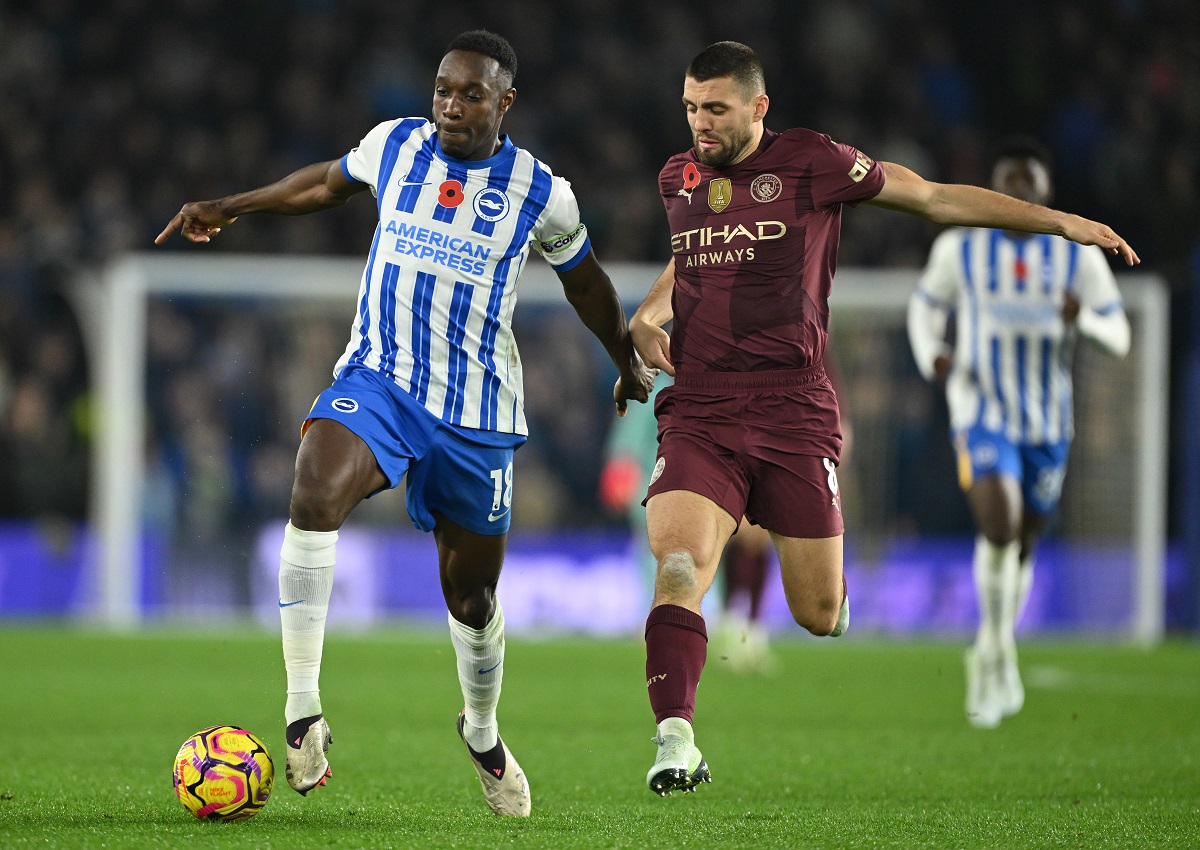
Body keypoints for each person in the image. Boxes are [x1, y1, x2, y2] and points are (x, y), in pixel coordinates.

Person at [156, 30, 654, 817]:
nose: (452, 106)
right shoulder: (394, 147)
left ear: (505, 102)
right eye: (443, 91)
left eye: (471, 95)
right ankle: (301, 711)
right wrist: (232, 206)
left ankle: (483, 730)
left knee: (472, 598)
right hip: (380, 380)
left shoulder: (539, 190)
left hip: (479, 410)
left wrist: (624, 360)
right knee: (314, 486)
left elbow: (585, 283)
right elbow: (324, 183)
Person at [628, 41, 1139, 797]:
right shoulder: (681, 177)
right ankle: (675, 739)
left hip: (794, 410)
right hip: (700, 408)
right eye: (691, 108)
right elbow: (693, 257)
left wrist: (1059, 223)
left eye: (716, 109)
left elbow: (932, 197)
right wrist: (645, 316)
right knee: (676, 569)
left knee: (818, 610)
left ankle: (824, 596)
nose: (700, 124)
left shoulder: (814, 163)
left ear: (758, 107)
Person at [907, 137, 1131, 729]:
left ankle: (993, 644)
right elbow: (924, 308)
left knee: (1025, 540)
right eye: (1006, 183)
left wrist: (1081, 319)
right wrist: (934, 354)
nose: (1016, 194)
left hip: (1048, 421)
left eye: (1027, 183)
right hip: (980, 408)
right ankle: (995, 651)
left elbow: (1121, 337)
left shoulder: (1078, 260)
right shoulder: (961, 249)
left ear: (1045, 193)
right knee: (999, 525)